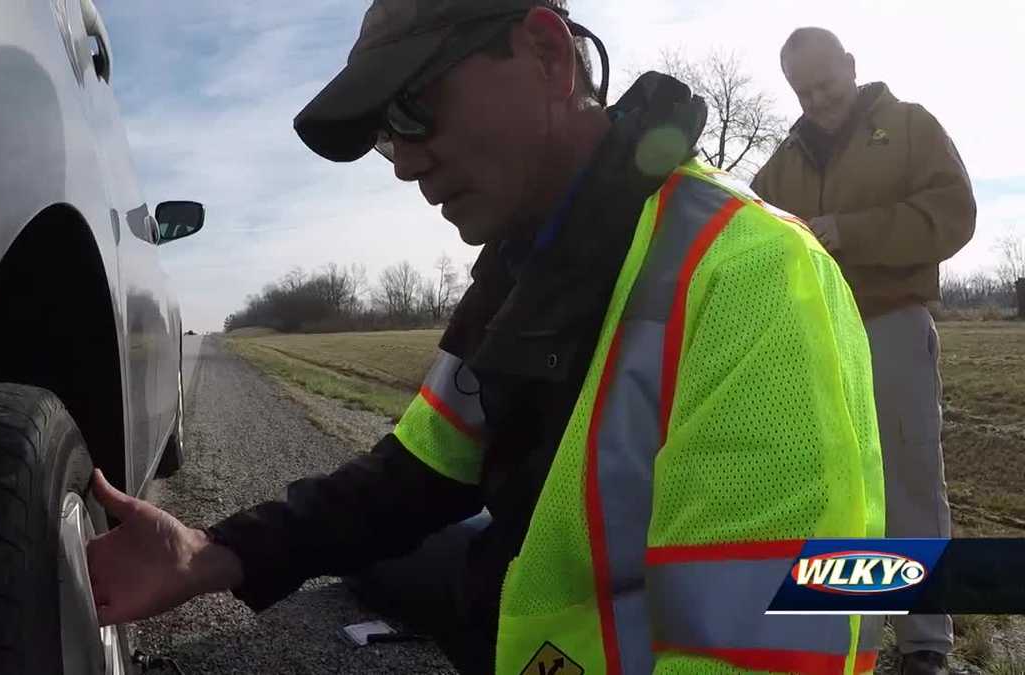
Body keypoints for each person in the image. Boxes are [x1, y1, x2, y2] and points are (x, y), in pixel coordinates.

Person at [88, 3, 887, 673]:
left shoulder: (754, 274)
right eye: (384, 139)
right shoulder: (519, 264)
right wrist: (209, 550)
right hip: (515, 629)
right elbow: (415, 475)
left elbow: (772, 646)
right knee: (382, 554)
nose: (402, 163)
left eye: (412, 111)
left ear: (546, 54)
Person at [752, 27, 977, 675]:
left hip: (890, 326)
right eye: (803, 90)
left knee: (907, 480)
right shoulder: (781, 163)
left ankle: (923, 642)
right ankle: (840, 634)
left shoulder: (909, 127)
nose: (817, 99)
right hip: (810, 342)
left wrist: (849, 233)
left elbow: (954, 213)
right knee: (826, 488)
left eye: (825, 83)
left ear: (851, 65)